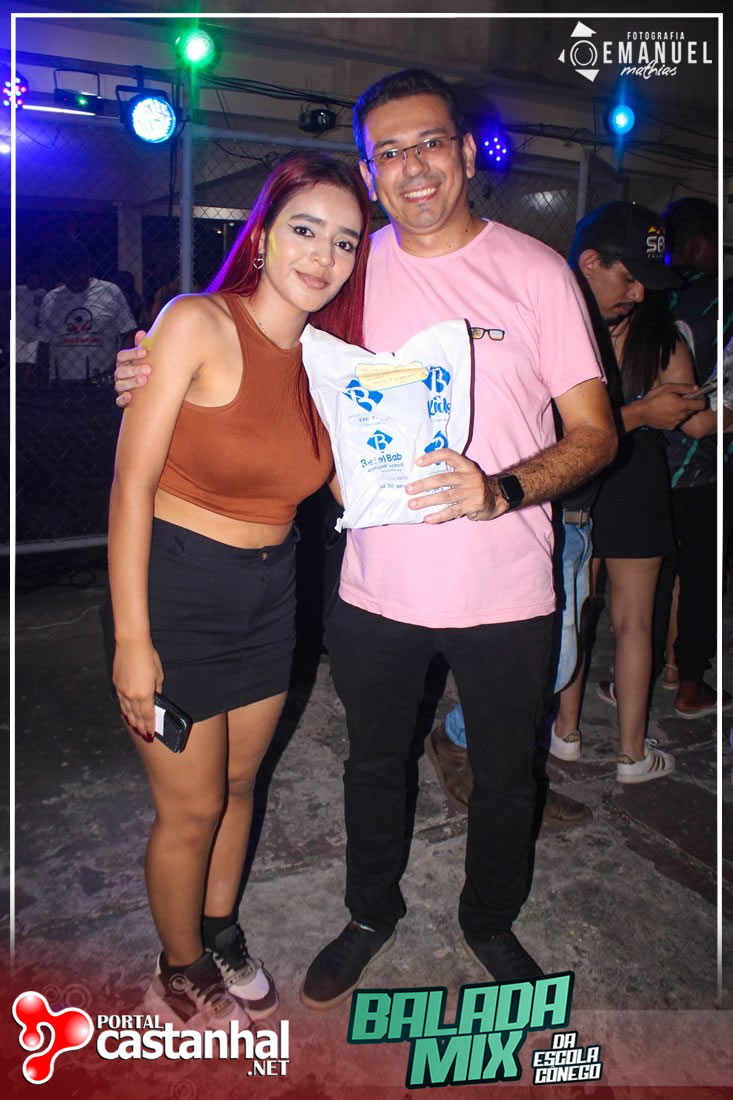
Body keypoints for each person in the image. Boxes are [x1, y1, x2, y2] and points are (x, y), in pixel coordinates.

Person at [115, 69, 617, 1000]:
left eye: (429, 143)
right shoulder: (346, 273)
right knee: (373, 767)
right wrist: (149, 368)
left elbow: (596, 434)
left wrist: (501, 489)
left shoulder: (537, 272)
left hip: (508, 585)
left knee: (507, 776)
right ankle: (368, 913)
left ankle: (489, 919)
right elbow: (261, 354)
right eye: (389, 152)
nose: (412, 167)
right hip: (375, 589)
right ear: (370, 171)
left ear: (466, 152)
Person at [105, 153, 370, 1029]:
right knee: (190, 808)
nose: (322, 256)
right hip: (177, 590)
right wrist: (133, 641)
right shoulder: (196, 323)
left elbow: (354, 485)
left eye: (344, 242)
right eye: (305, 229)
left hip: (270, 595)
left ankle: (217, 930)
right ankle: (178, 967)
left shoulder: (327, 365)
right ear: (263, 236)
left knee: (241, 783)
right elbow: (131, 487)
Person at [569, 202, 707, 780]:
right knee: (622, 622)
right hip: (594, 479)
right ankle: (628, 752)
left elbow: (692, 419)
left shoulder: (576, 328)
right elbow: (551, 430)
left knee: (585, 617)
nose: (639, 293)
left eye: (645, 281)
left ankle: (569, 736)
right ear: (590, 262)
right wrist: (649, 411)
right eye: (629, 278)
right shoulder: (560, 326)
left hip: (595, 483)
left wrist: (698, 407)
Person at [653, 197, 732, 717]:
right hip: (703, 466)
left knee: (657, 574)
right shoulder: (720, 300)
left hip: (647, 460)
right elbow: (709, 414)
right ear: (703, 244)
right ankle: (689, 685)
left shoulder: (649, 293)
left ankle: (657, 671)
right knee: (702, 576)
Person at [37, 242, 137, 384]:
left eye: (79, 272)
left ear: (88, 268)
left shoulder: (109, 291)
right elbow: (44, 343)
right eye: (68, 274)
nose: (75, 278)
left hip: (101, 379)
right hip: (61, 380)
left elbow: (128, 334)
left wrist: (115, 368)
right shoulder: (51, 299)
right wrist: (43, 377)